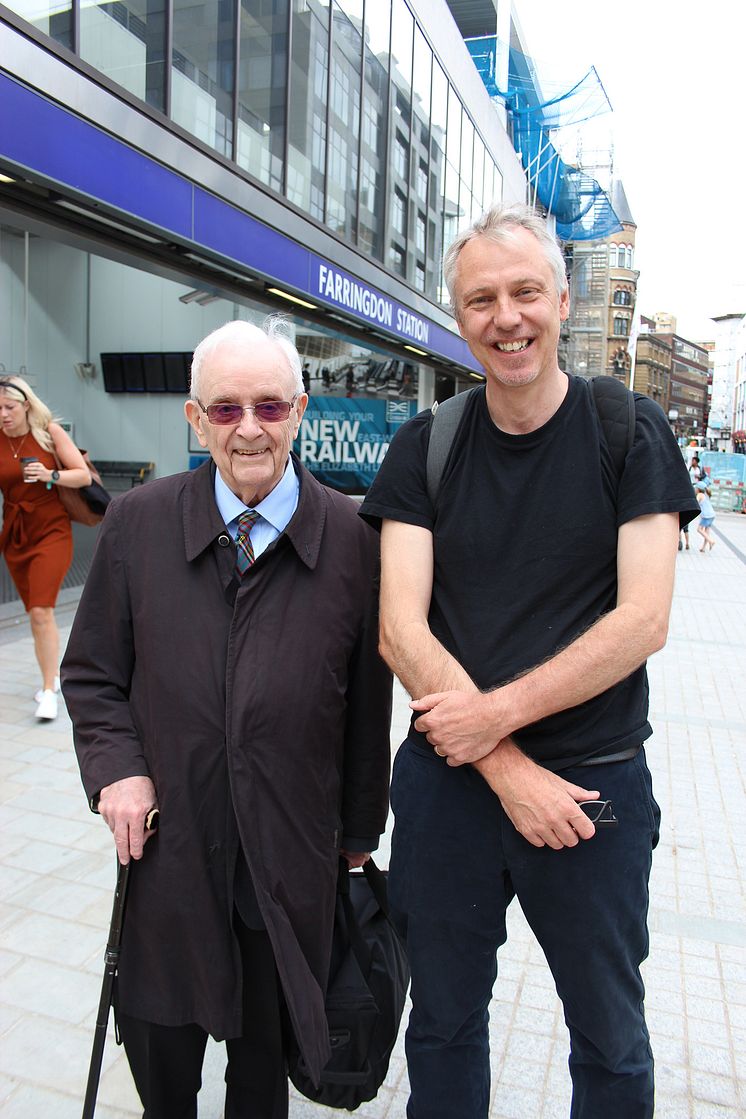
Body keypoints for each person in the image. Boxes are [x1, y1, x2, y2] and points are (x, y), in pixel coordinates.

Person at [360, 202, 699, 1119]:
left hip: (591, 796)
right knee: (442, 1025)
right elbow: (400, 629)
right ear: (458, 318)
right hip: (451, 797)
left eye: (522, 293)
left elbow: (644, 620)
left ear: (559, 297)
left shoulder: (628, 430)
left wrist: (497, 719)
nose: (504, 317)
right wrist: (509, 771)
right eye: (480, 300)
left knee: (610, 1037)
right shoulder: (424, 447)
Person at [62, 318, 392, 1119]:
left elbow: (366, 706)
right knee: (163, 1075)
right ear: (194, 418)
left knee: (260, 1081)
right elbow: (93, 674)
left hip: (288, 866)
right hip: (170, 862)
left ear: (301, 412)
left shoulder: (351, 540)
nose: (249, 428)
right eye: (226, 409)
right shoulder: (137, 524)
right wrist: (118, 770)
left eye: (271, 408)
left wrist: (355, 834)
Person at [0, 375, 91, 720]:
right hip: (16, 533)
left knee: (42, 611)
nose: (4, 415)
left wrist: (50, 476)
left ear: (25, 405)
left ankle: (50, 690)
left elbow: (81, 475)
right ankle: (47, 680)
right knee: (34, 615)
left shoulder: (49, 433)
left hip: (52, 530)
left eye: (9, 407)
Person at [695, 480, 716, 551]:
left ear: (698, 489)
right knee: (706, 532)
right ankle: (703, 548)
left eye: (695, 488)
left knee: (699, 529)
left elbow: (695, 503)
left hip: (706, 516)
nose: (695, 489)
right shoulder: (706, 494)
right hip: (712, 515)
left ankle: (711, 541)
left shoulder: (699, 495)